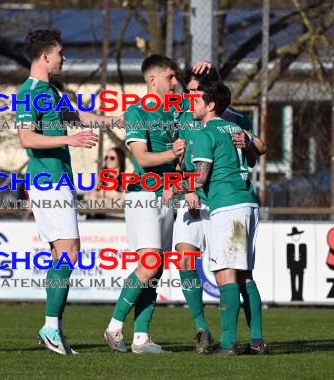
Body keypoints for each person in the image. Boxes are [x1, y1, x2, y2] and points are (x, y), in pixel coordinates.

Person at [16, 29, 121, 355]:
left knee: (61, 254)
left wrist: (117, 121)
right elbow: (26, 138)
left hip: (57, 181)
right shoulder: (29, 91)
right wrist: (69, 140)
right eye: (60, 52)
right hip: (48, 181)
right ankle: (50, 327)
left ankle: (53, 329)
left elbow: (76, 116)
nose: (64, 57)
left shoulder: (50, 91)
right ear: (45, 56)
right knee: (69, 252)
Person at [103, 55, 210, 354]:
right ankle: (114, 326)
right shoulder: (137, 111)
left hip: (167, 196)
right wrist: (173, 153)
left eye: (176, 77)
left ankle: (141, 337)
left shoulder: (176, 110)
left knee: (157, 268)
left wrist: (211, 69)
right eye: (170, 77)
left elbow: (209, 101)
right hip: (142, 196)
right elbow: (143, 159)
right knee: (149, 263)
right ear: (153, 80)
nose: (174, 82)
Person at [165, 67, 267, 353]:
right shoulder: (234, 127)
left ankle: (228, 343)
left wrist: (175, 188)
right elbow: (254, 154)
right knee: (244, 273)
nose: (190, 103)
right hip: (246, 201)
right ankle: (257, 341)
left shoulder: (206, 131)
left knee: (225, 274)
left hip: (227, 206)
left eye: (196, 99)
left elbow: (200, 178)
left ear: (210, 104)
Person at [85, 147, 126, 219]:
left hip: (116, 220)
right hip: (97, 218)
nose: (108, 160)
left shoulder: (125, 181)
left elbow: (117, 205)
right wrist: (107, 202)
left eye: (112, 158)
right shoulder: (99, 179)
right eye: (106, 157)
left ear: (120, 160)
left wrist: (100, 200)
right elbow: (90, 201)